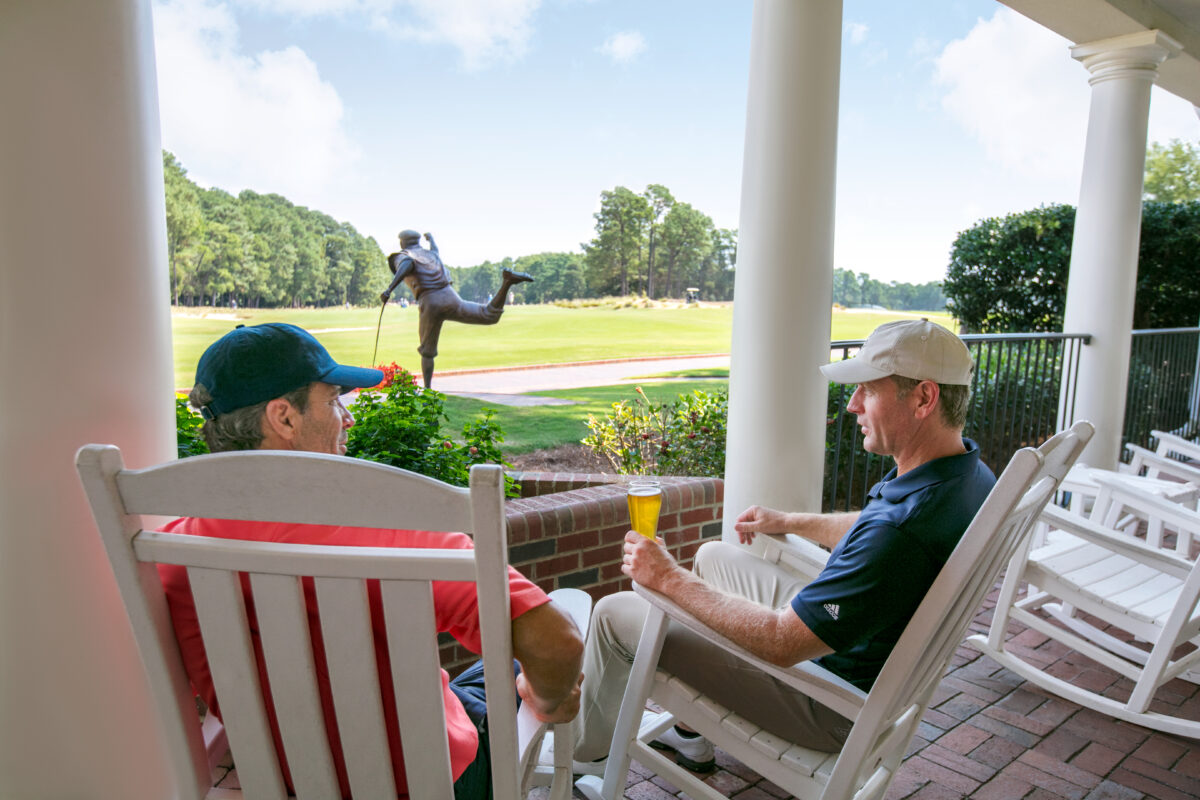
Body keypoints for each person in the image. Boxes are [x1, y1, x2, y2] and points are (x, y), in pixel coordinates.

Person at [161, 322, 584, 799]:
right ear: (284, 418)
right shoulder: (390, 538)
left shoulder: (172, 556)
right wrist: (546, 700)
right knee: (568, 615)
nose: (348, 417)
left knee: (489, 676)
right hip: (433, 781)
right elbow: (557, 644)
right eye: (334, 400)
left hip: (292, 783)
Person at [573, 318, 996, 772]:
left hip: (825, 700)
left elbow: (781, 642)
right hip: (844, 645)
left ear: (924, 398)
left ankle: (584, 758)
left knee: (615, 614)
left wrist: (666, 577)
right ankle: (689, 734)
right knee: (714, 556)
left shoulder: (901, 531)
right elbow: (871, 525)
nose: (852, 405)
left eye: (868, 391)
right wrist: (789, 521)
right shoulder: (964, 475)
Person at [380, 230, 532, 388]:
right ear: (418, 241)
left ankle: (427, 389)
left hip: (431, 301)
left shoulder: (404, 255)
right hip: (449, 295)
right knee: (488, 315)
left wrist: (389, 290)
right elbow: (435, 249)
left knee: (427, 351)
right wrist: (431, 238)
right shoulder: (431, 254)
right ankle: (507, 282)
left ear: (402, 242)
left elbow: (406, 265)